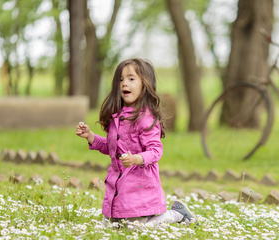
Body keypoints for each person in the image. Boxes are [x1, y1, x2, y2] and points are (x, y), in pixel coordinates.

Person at [76, 58, 196, 230]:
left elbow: (155, 151)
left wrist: (137, 158)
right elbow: (113, 148)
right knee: (109, 225)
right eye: (121, 79)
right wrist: (90, 137)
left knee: (134, 227)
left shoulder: (145, 117)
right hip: (119, 184)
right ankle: (132, 219)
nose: (125, 83)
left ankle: (176, 214)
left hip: (138, 183)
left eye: (131, 79)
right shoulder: (116, 116)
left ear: (144, 84)